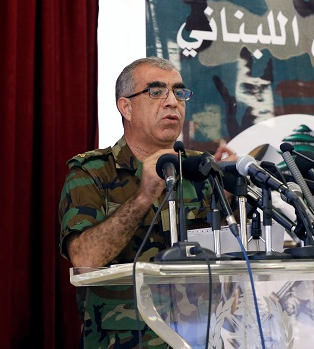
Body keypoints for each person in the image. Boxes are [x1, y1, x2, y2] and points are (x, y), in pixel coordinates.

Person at [58, 57, 236, 348]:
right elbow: (85, 259)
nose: (171, 102)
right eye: (156, 92)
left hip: (199, 338)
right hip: (126, 341)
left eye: (179, 92)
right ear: (126, 107)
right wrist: (143, 197)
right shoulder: (91, 172)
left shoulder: (199, 169)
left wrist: (229, 195)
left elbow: (225, 259)